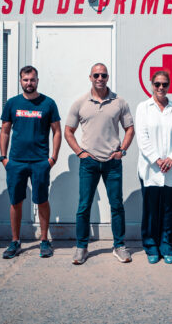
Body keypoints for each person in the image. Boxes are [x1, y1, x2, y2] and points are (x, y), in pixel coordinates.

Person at [64, 63, 135, 265]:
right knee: (84, 206)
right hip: (89, 163)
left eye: (103, 75)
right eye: (96, 74)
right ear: (90, 77)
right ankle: (81, 247)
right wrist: (80, 152)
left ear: (107, 77)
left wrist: (122, 150)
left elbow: (130, 128)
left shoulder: (119, 102)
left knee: (116, 205)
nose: (100, 78)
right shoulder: (80, 103)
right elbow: (68, 130)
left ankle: (119, 246)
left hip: (112, 162)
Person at [0, 66, 62, 260]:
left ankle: (44, 240)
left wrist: (53, 158)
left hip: (40, 162)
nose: (29, 83)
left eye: (32, 79)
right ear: (20, 81)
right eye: (25, 80)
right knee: (16, 201)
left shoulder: (48, 103)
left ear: (37, 81)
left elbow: (57, 131)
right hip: (16, 161)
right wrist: (4, 157)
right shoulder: (12, 103)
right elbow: (5, 131)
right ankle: (15, 241)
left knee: (42, 200)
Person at [135, 70, 172, 264]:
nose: (161, 88)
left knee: (170, 210)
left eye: (164, 84)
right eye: (157, 84)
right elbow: (142, 137)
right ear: (151, 85)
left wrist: (171, 158)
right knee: (151, 211)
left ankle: (168, 246)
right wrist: (157, 159)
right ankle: (151, 247)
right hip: (151, 169)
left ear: (169, 85)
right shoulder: (143, 107)